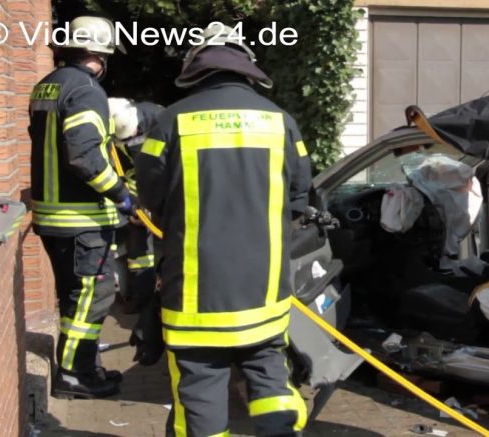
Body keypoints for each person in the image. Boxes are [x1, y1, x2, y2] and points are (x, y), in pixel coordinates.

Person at [135, 23, 312, 437]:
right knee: (271, 378)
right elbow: (300, 197)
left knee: (200, 388)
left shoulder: (170, 121)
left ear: (195, 67)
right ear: (247, 66)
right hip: (264, 293)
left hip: (194, 295)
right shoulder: (282, 122)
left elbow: (150, 196)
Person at [28, 16, 134, 399]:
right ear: (98, 54)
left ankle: (85, 368)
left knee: (75, 298)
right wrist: (120, 193)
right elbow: (84, 156)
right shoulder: (87, 91)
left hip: (53, 218)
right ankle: (75, 376)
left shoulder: (46, 85)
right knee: (91, 299)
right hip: (81, 220)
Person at [108, 97, 164, 314]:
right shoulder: (111, 136)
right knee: (139, 251)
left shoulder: (161, 120)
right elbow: (122, 171)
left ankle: (165, 295)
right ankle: (142, 299)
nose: (132, 140)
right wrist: (135, 204)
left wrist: (156, 201)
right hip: (136, 193)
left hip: (163, 188)